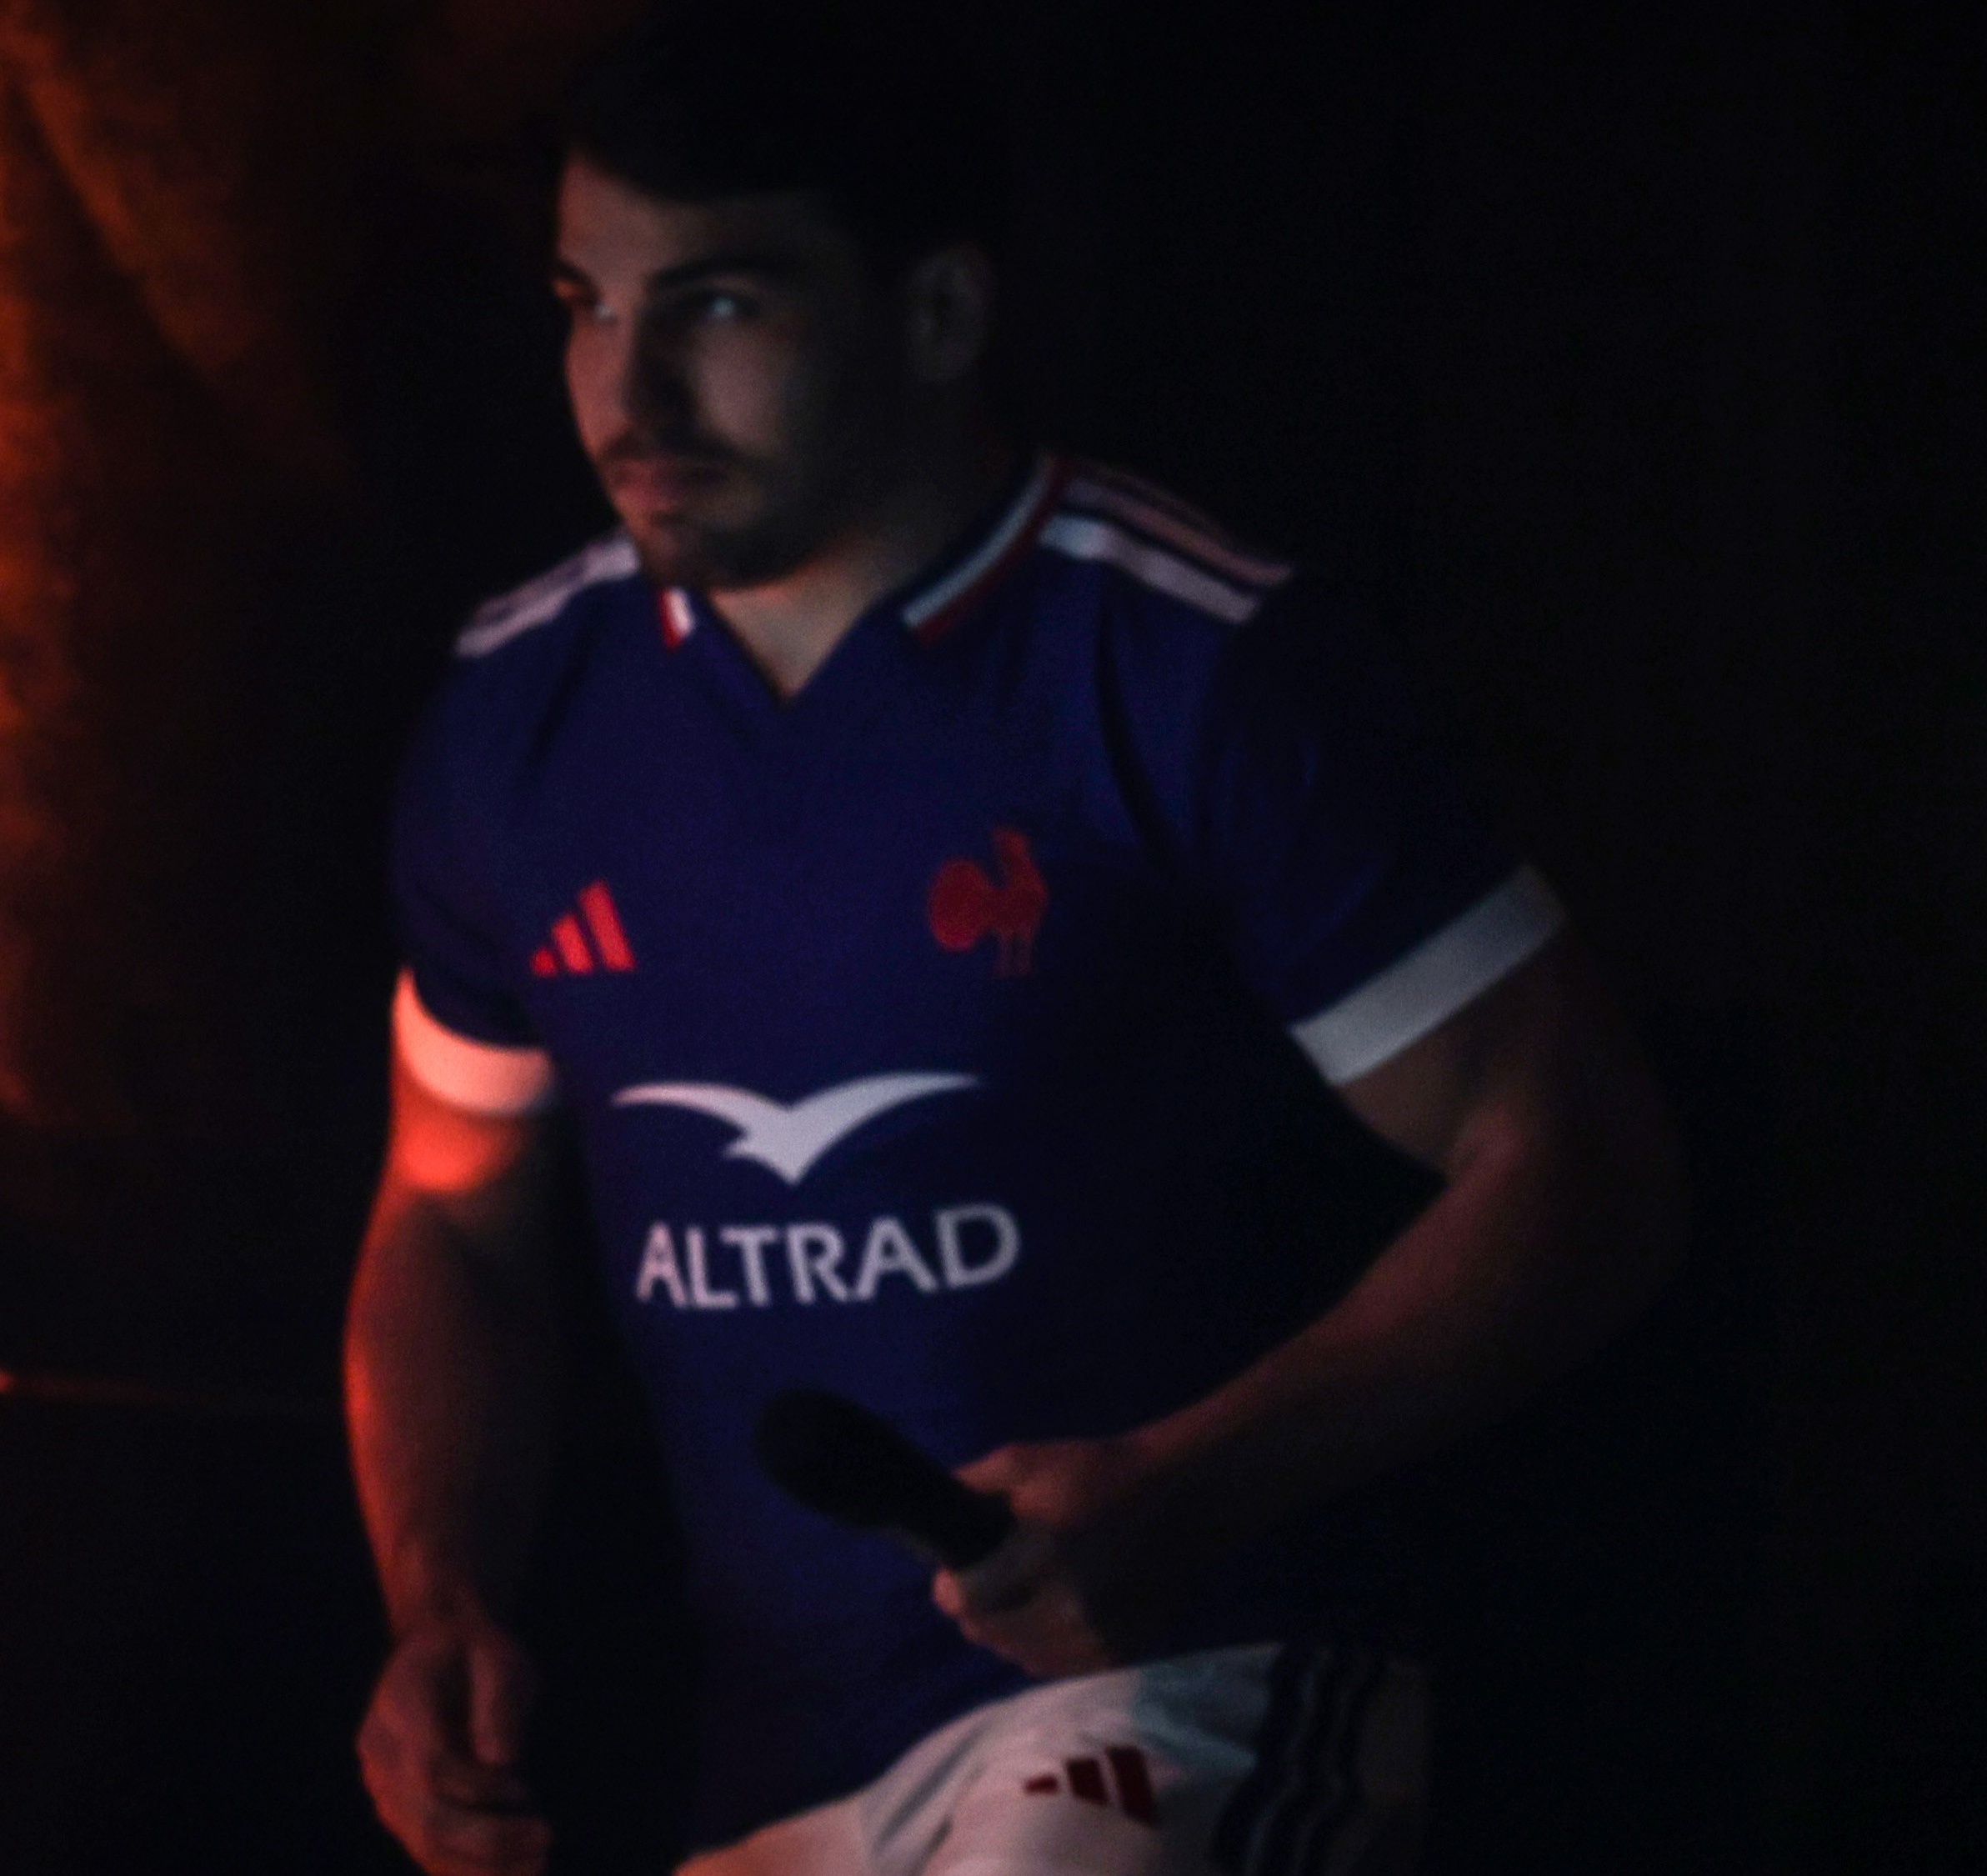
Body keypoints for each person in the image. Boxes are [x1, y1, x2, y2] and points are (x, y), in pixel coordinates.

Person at [342, 8, 1685, 1873]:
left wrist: (1191, 1483)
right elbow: (450, 1219)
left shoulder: (1185, 668)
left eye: (718, 304)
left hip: (1181, 1689)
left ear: (941, 316)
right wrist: (438, 1603)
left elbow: (1588, 1165)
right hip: (777, 1756)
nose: (625, 391)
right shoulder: (520, 715)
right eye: (586, 301)